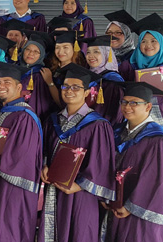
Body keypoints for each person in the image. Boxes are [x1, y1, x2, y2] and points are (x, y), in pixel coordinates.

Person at [39, 63, 116, 242]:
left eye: (76, 87)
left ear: (87, 92)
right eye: (65, 86)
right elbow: (44, 149)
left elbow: (102, 163)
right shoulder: (52, 120)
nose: (69, 91)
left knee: (79, 232)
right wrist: (44, 165)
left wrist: (79, 186)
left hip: (80, 194)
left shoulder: (98, 125)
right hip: (54, 189)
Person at [0, 63, 43, 242]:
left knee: (9, 232)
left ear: (19, 87)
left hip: (14, 189)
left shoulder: (24, 116)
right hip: (0, 183)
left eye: (7, 82)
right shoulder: (4, 112)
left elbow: (23, 156)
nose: (1, 86)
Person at [102, 82, 163, 241]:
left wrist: (130, 207)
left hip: (139, 211)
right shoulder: (117, 131)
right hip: (114, 206)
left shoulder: (158, 140)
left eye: (134, 103)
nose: (127, 107)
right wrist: (105, 196)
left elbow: (156, 179)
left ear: (147, 107)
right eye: (124, 102)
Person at [128, 13, 163, 127]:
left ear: (161, 44)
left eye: (153, 40)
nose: (148, 45)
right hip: (135, 119)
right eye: (143, 41)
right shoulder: (130, 67)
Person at [82, 35, 125, 126]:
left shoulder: (113, 81)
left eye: (96, 52)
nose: (90, 56)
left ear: (106, 54)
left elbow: (115, 114)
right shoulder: (87, 76)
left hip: (102, 128)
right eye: (88, 52)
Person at [19, 31, 57, 119]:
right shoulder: (14, 69)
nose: (31, 53)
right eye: (28, 49)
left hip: (29, 118)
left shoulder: (40, 75)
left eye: (36, 51)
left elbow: (40, 105)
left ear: (42, 55)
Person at [103, 10, 137, 81]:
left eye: (118, 32)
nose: (113, 36)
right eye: (109, 32)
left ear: (127, 35)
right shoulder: (102, 54)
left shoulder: (135, 57)